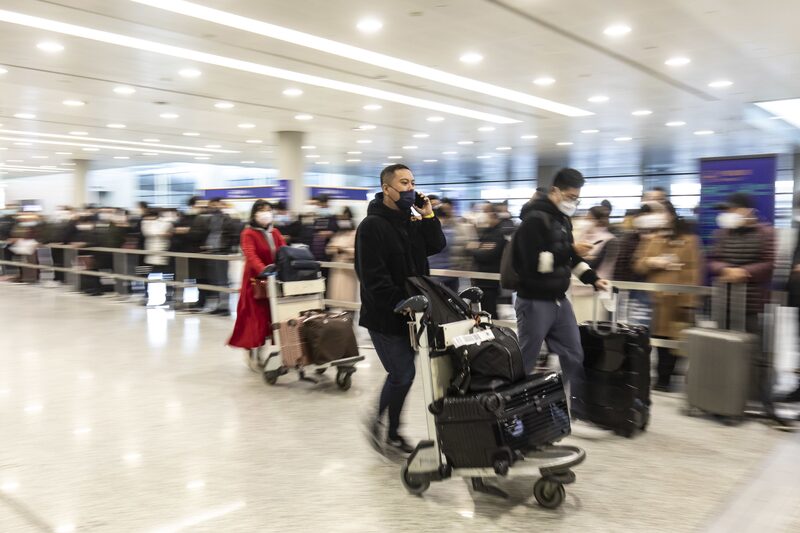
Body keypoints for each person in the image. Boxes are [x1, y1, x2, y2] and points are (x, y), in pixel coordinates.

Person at [355, 164, 446, 454]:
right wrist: (400, 303)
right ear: (386, 188)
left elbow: (436, 245)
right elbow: (371, 277)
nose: (411, 189)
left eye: (413, 183)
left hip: (415, 315)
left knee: (403, 374)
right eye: (404, 183)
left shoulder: (411, 221)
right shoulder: (371, 227)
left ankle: (389, 428)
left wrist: (428, 214)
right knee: (403, 374)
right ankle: (385, 426)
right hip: (386, 316)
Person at [511, 168, 610, 404]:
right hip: (534, 300)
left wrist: (593, 279)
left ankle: (573, 407)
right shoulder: (533, 220)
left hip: (558, 299)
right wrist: (570, 251)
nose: (572, 202)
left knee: (574, 354)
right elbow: (532, 264)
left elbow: (571, 259)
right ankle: (511, 407)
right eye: (569, 197)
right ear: (555, 191)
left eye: (576, 198)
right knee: (527, 358)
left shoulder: (563, 220)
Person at [708, 192, 776, 409]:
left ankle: (757, 400)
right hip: (724, 301)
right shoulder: (722, 234)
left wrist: (744, 272)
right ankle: (722, 399)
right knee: (723, 350)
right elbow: (711, 260)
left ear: (747, 210)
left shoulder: (766, 233)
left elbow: (769, 263)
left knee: (754, 353)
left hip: (752, 303)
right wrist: (725, 269)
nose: (728, 214)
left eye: (732, 209)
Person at [633, 201, 701, 392]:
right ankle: (661, 377)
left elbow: (694, 271)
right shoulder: (653, 240)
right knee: (657, 341)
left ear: (671, 215)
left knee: (676, 343)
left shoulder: (689, 241)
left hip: (679, 301)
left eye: (662, 213)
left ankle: (668, 377)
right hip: (656, 301)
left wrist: (689, 301)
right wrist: (653, 261)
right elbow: (638, 265)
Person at [228, 200, 286, 365]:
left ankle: (262, 349)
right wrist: (264, 270)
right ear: (254, 214)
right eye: (261, 210)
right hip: (255, 281)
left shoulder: (275, 232)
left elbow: (283, 250)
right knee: (255, 317)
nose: (265, 213)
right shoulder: (248, 233)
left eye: (268, 210)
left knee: (270, 316)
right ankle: (252, 349)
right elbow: (250, 254)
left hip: (273, 281)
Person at [467, 203, 506, 318]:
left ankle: (495, 334)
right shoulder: (486, 231)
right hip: (480, 280)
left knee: (490, 313)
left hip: (489, 281)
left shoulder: (498, 233)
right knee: (481, 312)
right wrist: (479, 247)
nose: (481, 215)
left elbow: (486, 255)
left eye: (485, 212)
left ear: (493, 214)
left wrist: (474, 248)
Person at [326, 207, 359, 304]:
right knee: (336, 296)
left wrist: (344, 250)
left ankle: (349, 316)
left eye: (345, 219)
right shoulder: (338, 234)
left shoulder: (355, 234)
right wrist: (334, 249)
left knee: (348, 297)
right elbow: (328, 249)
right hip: (336, 268)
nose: (343, 221)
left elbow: (357, 251)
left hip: (348, 270)